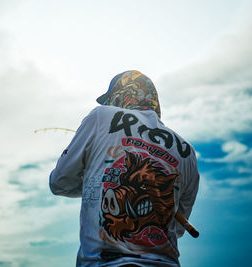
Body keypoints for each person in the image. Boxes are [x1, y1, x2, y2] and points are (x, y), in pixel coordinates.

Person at [49, 70, 199, 267]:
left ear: (122, 94)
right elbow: (176, 229)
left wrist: (95, 174)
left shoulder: (101, 116)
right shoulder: (187, 151)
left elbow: (59, 183)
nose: (107, 105)